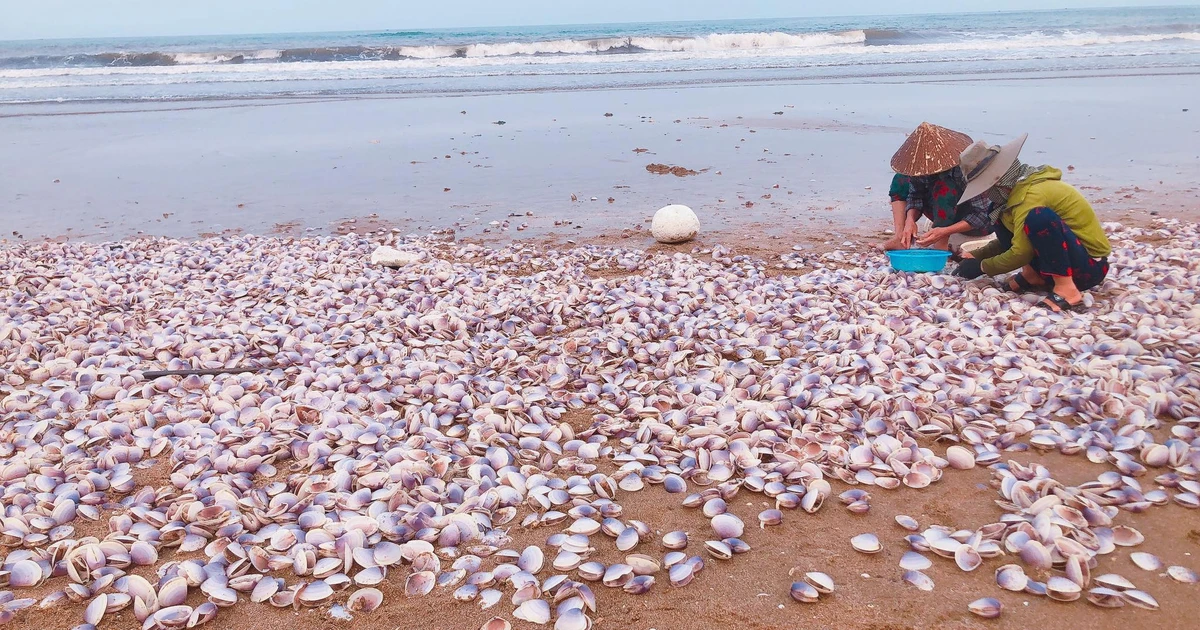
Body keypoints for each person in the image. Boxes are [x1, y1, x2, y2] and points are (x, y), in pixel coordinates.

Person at [952, 134, 1112, 313]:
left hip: (1089, 268)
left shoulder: (1031, 196)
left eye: (985, 188)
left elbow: (1021, 252)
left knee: (1038, 218)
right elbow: (1017, 239)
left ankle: (1068, 290)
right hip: (1063, 261)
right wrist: (976, 255)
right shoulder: (1014, 194)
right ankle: (1033, 276)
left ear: (999, 182)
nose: (985, 194)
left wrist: (982, 267)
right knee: (998, 213)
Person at [881, 122, 994, 253]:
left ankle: (941, 247)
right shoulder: (920, 166)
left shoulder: (967, 169)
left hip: (976, 223)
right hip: (942, 213)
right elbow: (915, 196)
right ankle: (900, 237)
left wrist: (945, 231)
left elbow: (982, 215)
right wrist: (910, 220)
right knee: (900, 179)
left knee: (943, 187)